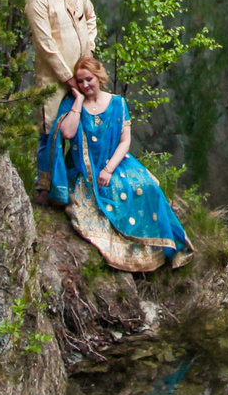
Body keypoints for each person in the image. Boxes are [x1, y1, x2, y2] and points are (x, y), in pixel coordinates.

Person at [36, 55, 192, 265]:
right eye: (80, 81)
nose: (85, 85)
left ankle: (161, 248)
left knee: (147, 187)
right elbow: (67, 132)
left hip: (116, 162)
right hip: (84, 168)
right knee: (107, 195)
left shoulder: (117, 103)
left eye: (89, 79)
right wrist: (78, 101)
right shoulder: (72, 104)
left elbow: (125, 141)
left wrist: (108, 169)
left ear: (99, 77)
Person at [24, 0, 98, 139]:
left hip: (82, 75)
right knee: (52, 133)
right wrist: (68, 77)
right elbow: (45, 43)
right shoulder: (38, 0)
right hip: (54, 81)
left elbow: (90, 17)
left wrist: (90, 49)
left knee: (86, 132)